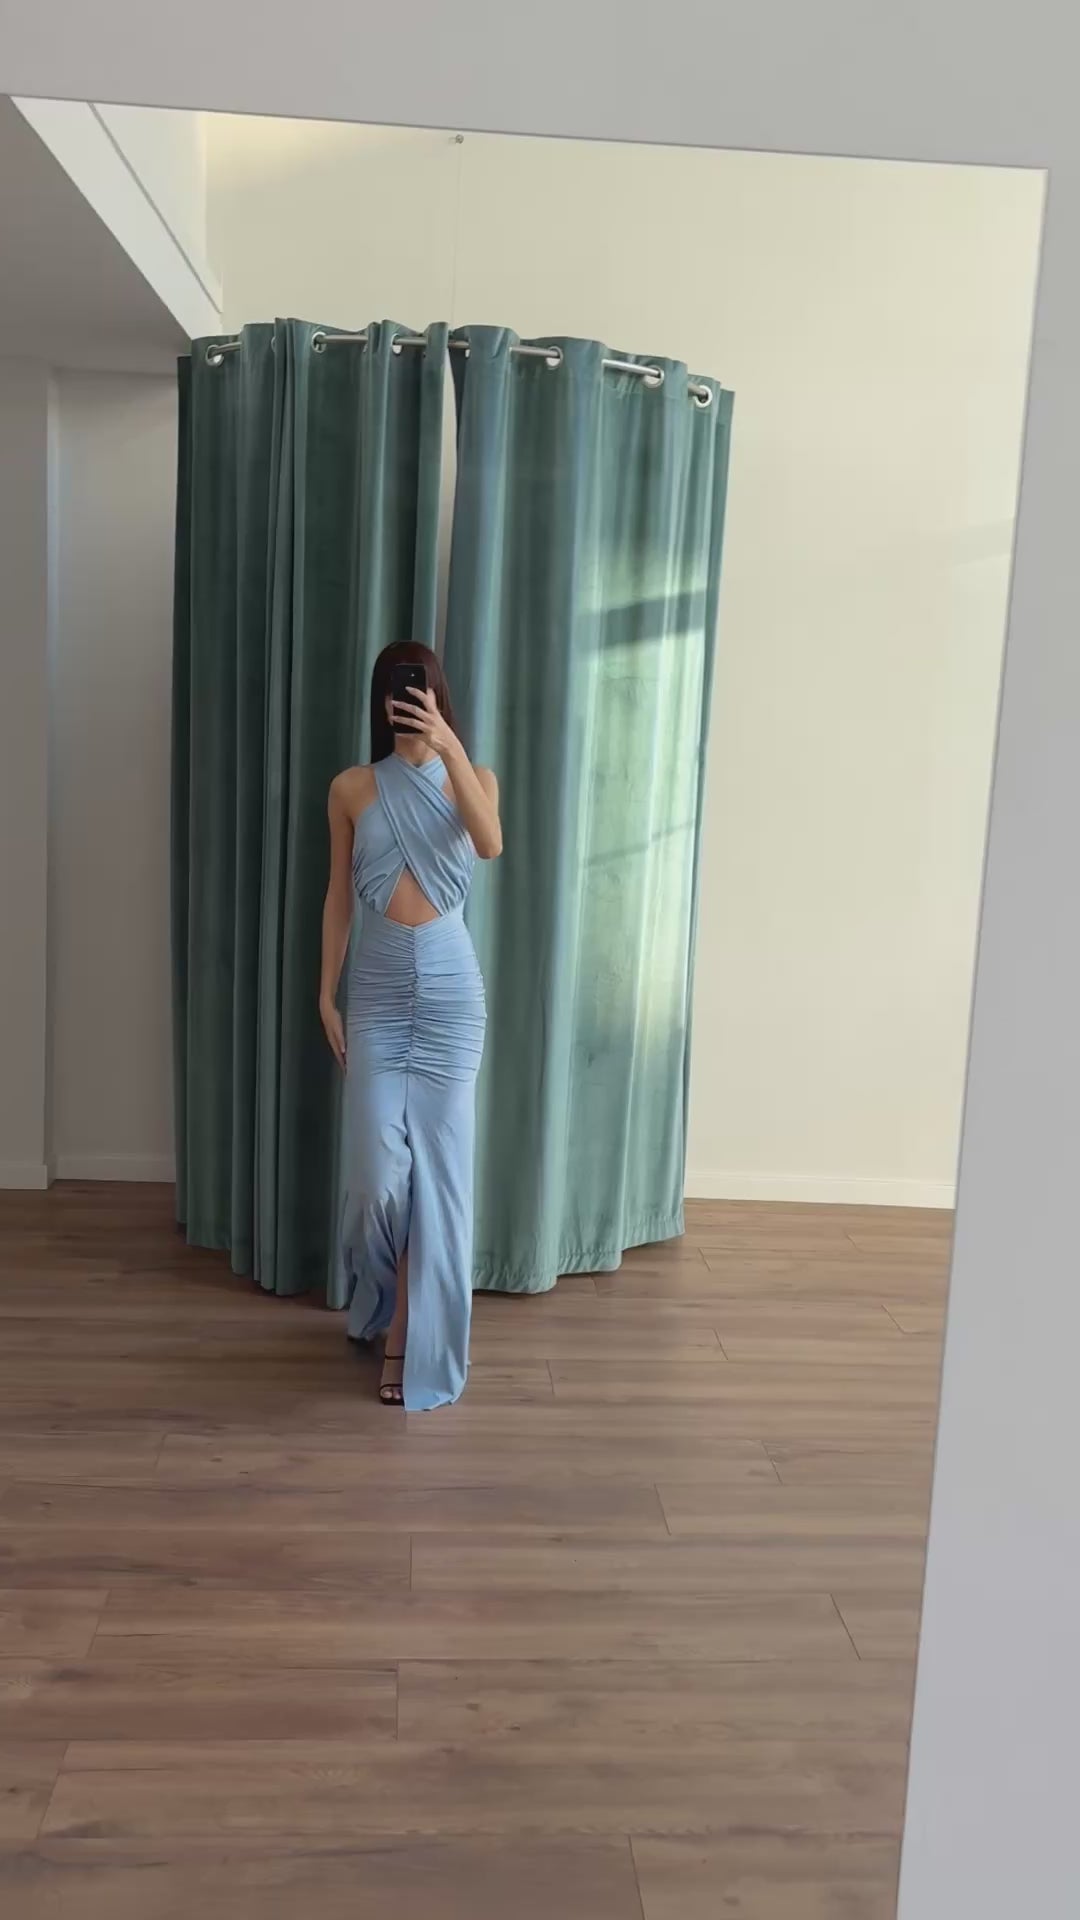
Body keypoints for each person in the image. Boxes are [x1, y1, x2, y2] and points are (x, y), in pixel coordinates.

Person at [319, 641, 502, 1408]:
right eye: (398, 689)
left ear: (439, 694)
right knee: (375, 1179)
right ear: (381, 698)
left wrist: (449, 745)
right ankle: (386, 1296)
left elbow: (489, 843)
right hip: (378, 995)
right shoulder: (352, 787)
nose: (409, 699)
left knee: (443, 1180)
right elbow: (337, 896)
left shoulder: (474, 778)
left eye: (421, 688)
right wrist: (324, 994)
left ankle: (406, 1335)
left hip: (453, 1000)